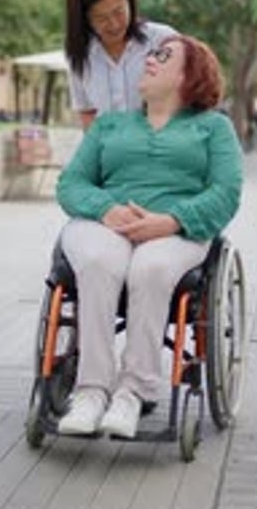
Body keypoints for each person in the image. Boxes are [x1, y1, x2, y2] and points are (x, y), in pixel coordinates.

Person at [55, 35, 244, 439]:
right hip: (106, 224)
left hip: (176, 231)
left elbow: (226, 193)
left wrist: (172, 219)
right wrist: (106, 208)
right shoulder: (110, 124)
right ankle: (90, 392)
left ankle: (132, 393)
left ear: (189, 75)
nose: (150, 60)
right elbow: (71, 183)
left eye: (163, 56)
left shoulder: (214, 128)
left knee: (152, 266)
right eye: (151, 54)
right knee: (98, 260)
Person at [65, 0, 176, 129]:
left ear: (129, 1)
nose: (114, 24)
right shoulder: (81, 56)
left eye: (119, 11)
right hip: (110, 154)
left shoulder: (163, 41)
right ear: (84, 19)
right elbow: (87, 112)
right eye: (101, 18)